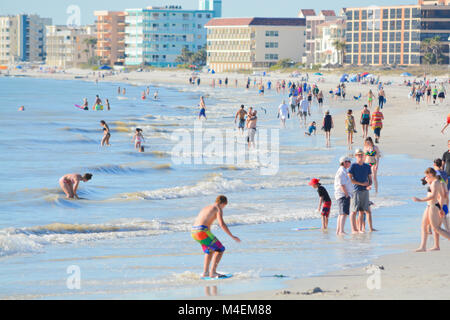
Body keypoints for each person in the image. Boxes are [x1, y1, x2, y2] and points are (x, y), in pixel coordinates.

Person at [191, 196, 241, 279]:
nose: (223, 208)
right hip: (202, 232)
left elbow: (203, 221)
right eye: (224, 206)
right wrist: (232, 236)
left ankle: (205, 273)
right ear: (223, 203)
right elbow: (222, 224)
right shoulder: (218, 208)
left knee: (209, 250)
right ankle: (213, 272)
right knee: (220, 249)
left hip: (194, 232)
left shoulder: (206, 207)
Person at [412, 168, 450, 252]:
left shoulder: (436, 183)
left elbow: (434, 196)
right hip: (429, 206)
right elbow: (441, 195)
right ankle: (423, 247)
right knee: (424, 225)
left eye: (426, 176)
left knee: (436, 228)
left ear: (430, 175)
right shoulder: (434, 182)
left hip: (433, 206)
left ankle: (429, 246)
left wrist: (420, 200)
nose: (426, 177)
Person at [348, 149, 374, 234]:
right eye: (358, 155)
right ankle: (353, 229)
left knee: (362, 210)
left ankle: (360, 229)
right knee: (354, 211)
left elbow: (370, 179)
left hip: (365, 191)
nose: (360, 156)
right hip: (356, 190)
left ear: (364, 156)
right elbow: (350, 179)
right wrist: (361, 184)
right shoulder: (353, 166)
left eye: (361, 155)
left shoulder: (367, 166)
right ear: (355, 156)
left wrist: (369, 185)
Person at [334, 156, 354, 235]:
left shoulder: (343, 170)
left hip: (342, 194)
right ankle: (341, 231)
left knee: (341, 213)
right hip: (342, 194)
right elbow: (342, 184)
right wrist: (346, 194)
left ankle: (339, 230)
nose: (350, 163)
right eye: (349, 162)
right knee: (344, 213)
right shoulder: (342, 171)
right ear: (344, 162)